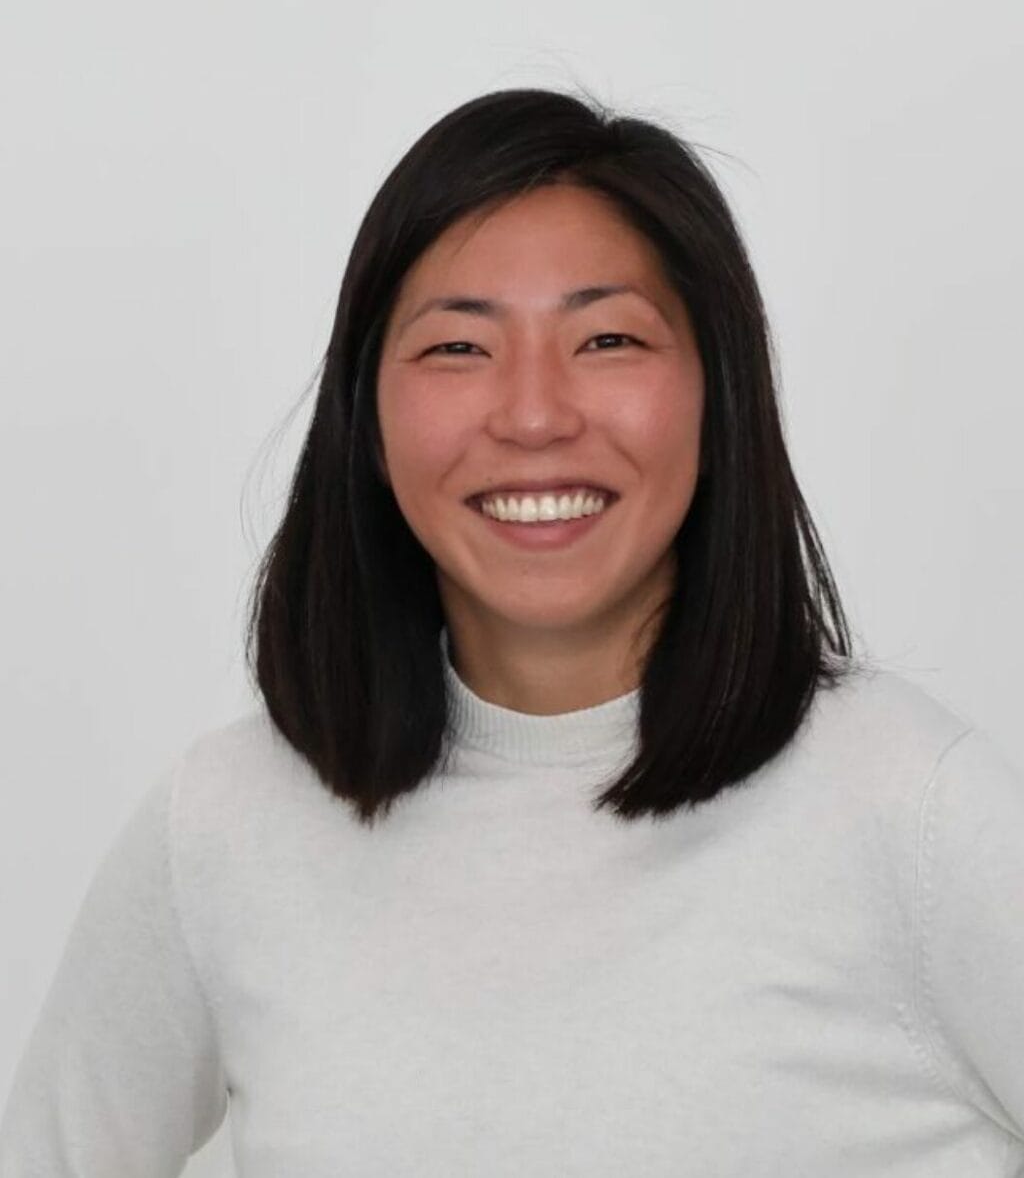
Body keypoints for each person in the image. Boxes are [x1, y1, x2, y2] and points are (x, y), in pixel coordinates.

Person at [2, 86, 1022, 1176]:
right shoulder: (222, 829)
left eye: (608, 338)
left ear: (718, 395)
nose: (534, 415)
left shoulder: (915, 811)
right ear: (366, 417)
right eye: (458, 347)